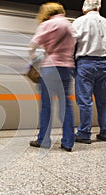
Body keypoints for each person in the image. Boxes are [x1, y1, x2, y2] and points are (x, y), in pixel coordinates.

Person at [29, 2, 76, 152]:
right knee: (66, 105)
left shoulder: (47, 24)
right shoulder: (69, 25)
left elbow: (32, 45)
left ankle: (44, 140)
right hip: (67, 68)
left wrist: (34, 58)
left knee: (46, 106)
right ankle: (68, 142)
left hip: (50, 68)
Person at [72, 0, 106, 144]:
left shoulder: (78, 22)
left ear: (84, 8)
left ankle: (84, 133)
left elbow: (71, 45)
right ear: (99, 7)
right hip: (103, 64)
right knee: (103, 101)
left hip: (85, 63)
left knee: (85, 100)